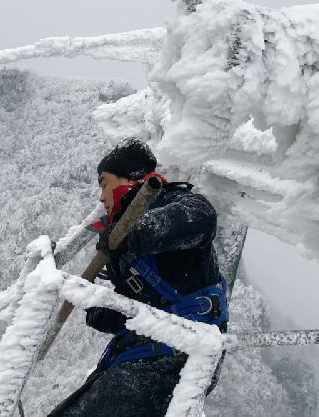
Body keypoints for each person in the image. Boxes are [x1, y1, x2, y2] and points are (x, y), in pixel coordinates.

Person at [48, 138, 228, 417]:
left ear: (129, 179)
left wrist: (134, 233)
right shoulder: (122, 249)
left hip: (178, 351)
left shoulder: (171, 202)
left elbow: (202, 218)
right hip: (140, 353)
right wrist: (97, 305)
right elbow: (131, 309)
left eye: (104, 183)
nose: (101, 196)